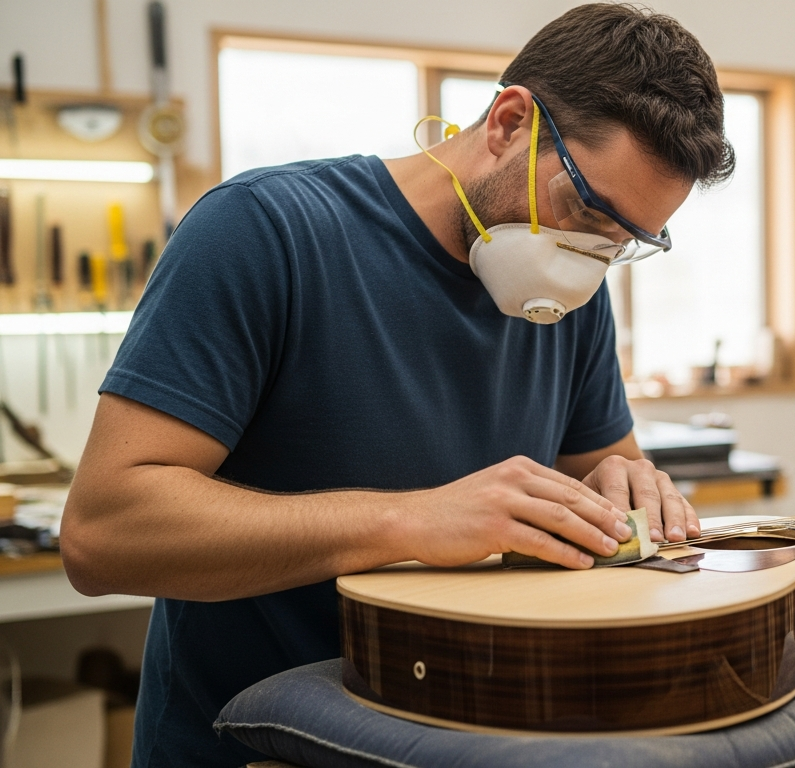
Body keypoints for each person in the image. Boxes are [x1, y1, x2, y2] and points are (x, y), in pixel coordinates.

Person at [60, 5, 735, 765]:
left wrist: (626, 488)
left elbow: (597, 489)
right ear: (510, 122)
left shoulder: (569, 296)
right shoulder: (264, 231)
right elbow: (101, 536)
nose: (592, 255)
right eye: (588, 209)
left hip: (463, 739)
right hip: (253, 743)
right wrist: (407, 522)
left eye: (626, 241)